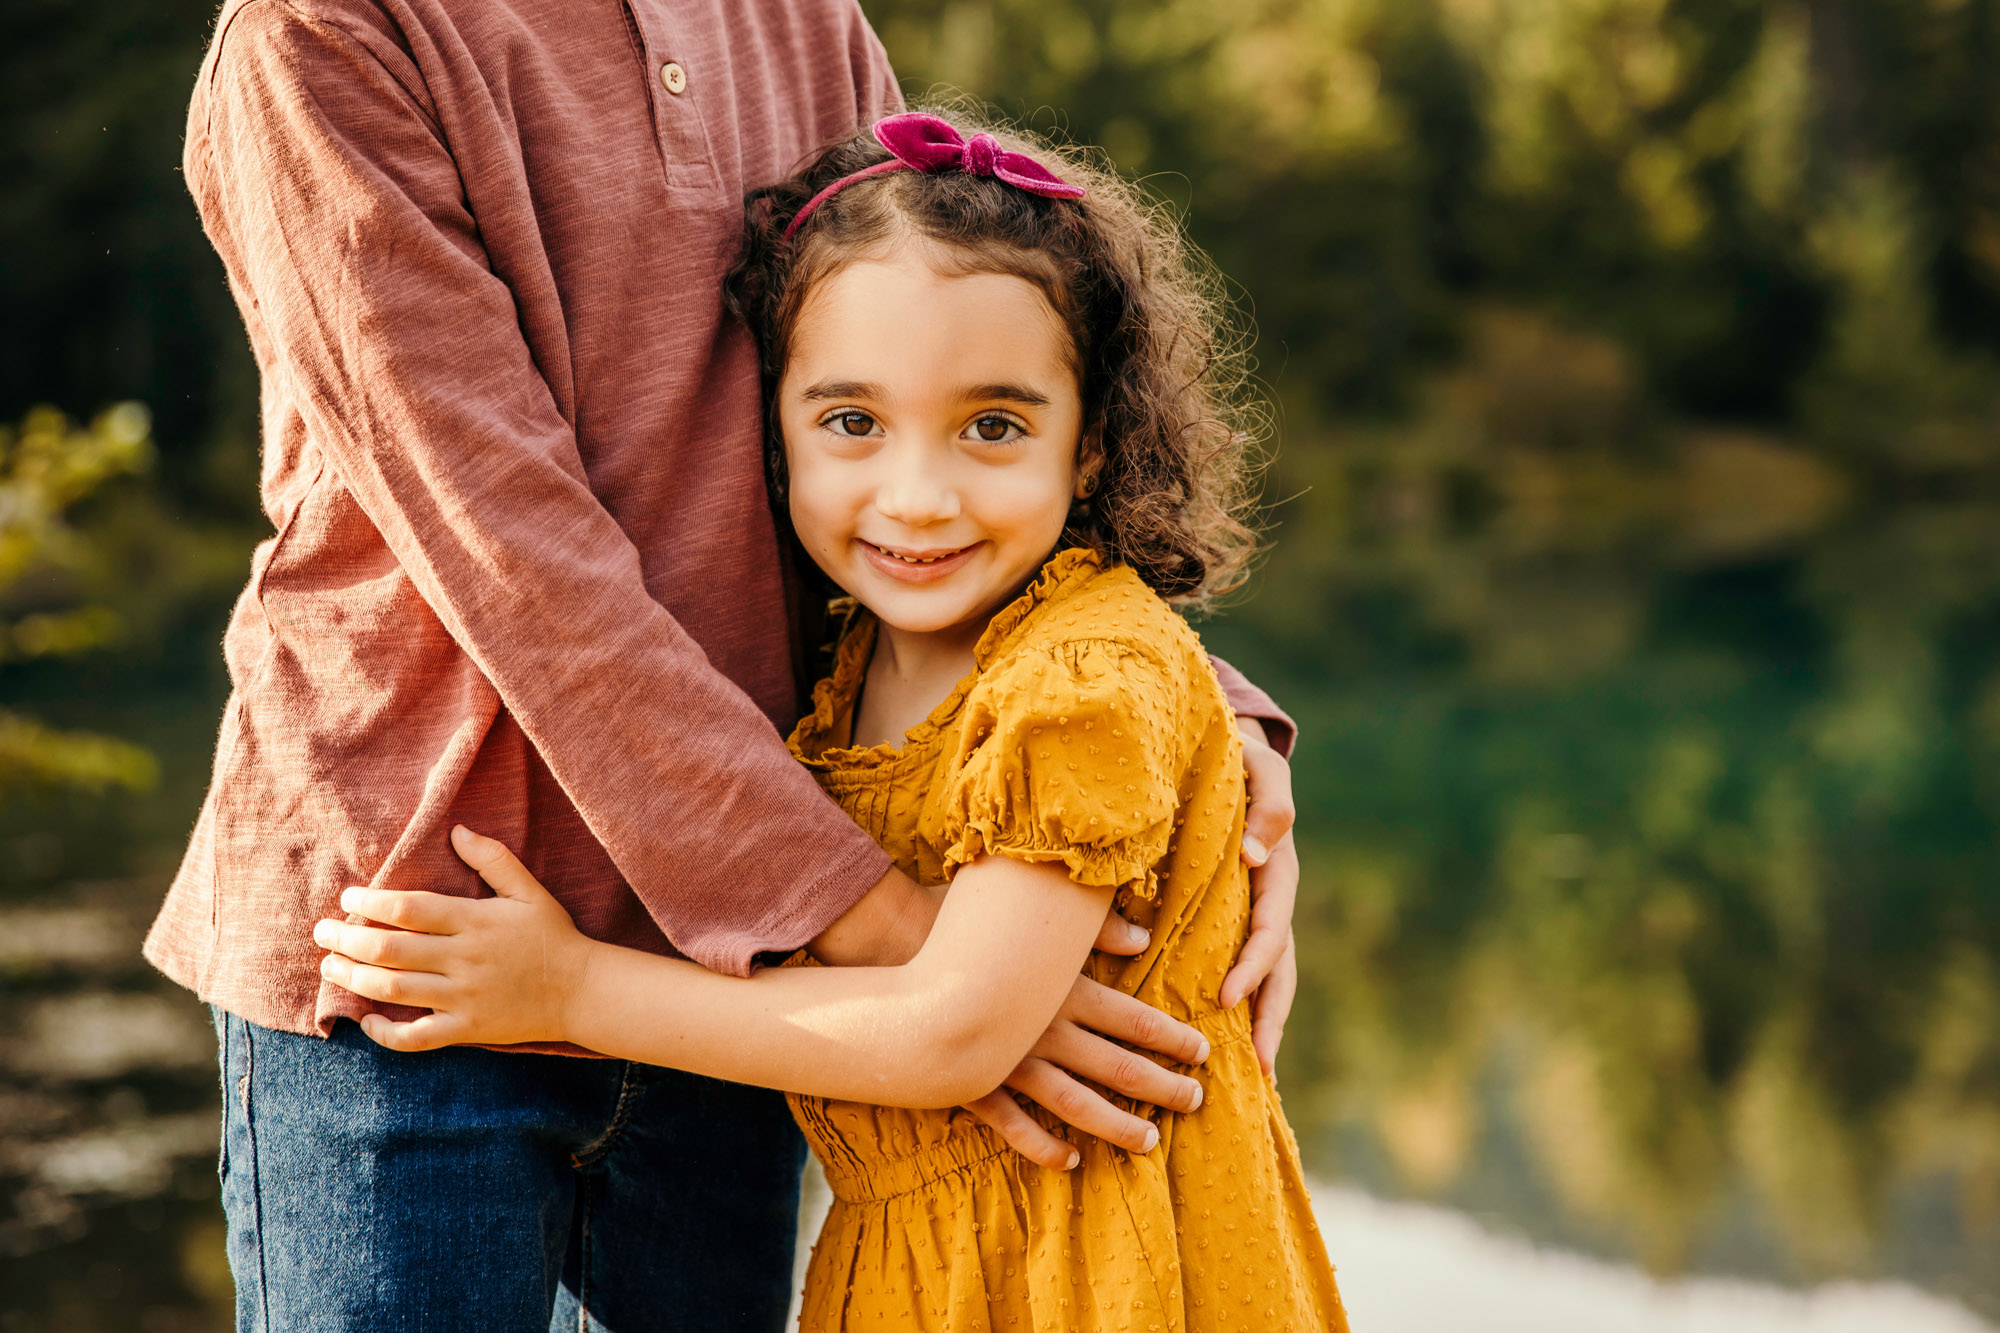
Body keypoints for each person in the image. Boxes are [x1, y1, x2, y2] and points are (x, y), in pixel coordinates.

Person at [146, 3, 1305, 1329]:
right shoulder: (326, 34)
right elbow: (502, 540)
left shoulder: (799, 17)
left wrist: (1213, 736)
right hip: (428, 954)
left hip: (749, 991)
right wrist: (923, 968)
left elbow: (918, 383)